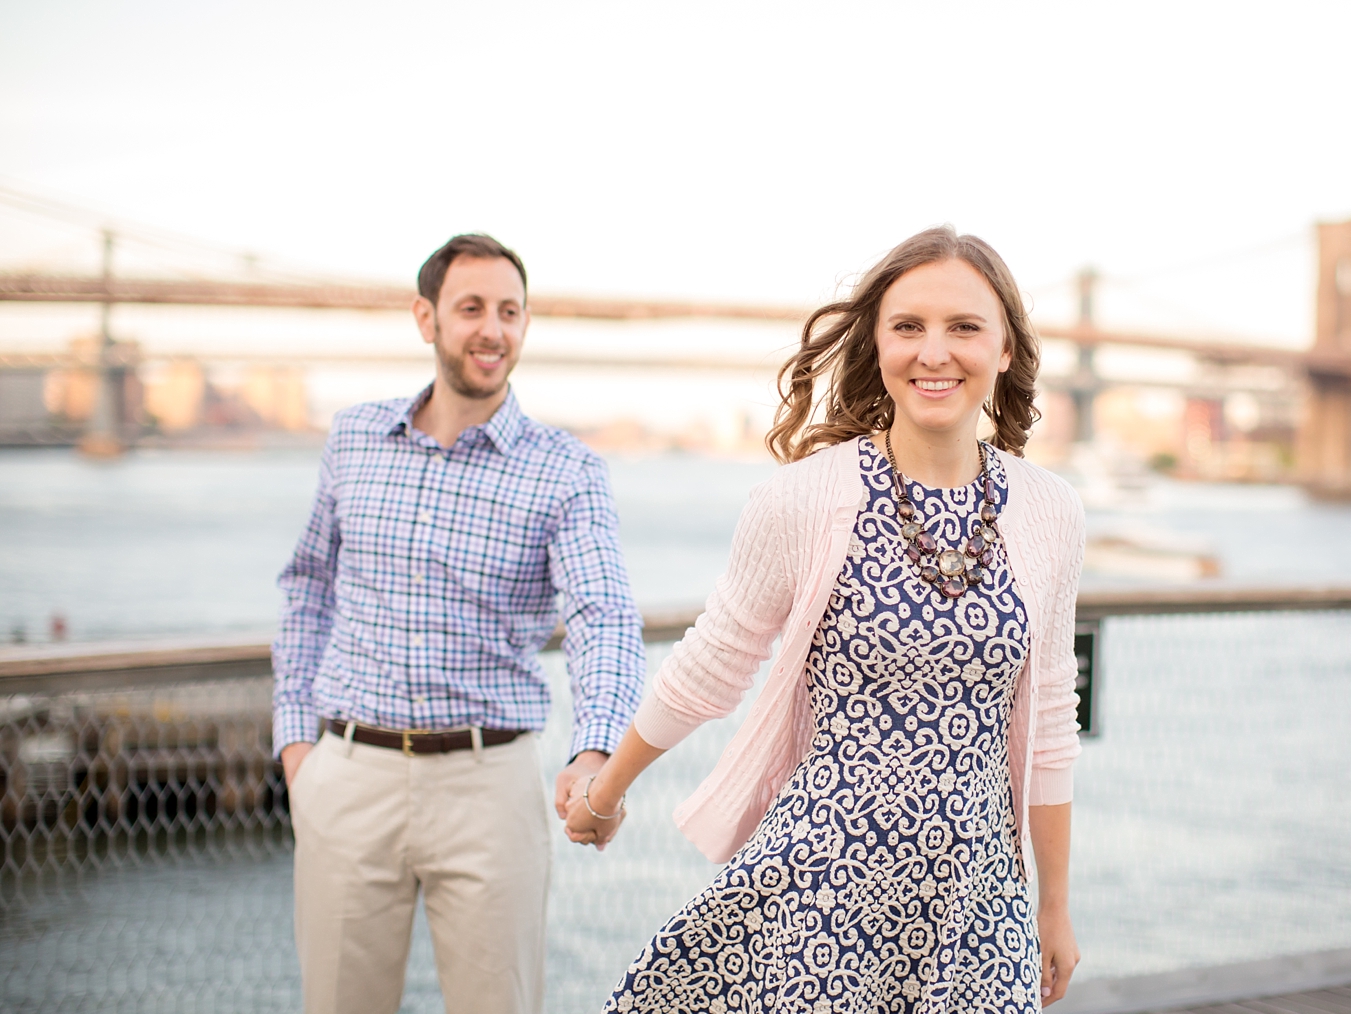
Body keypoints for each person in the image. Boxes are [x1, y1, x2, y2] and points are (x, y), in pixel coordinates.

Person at [566, 226, 1084, 1012]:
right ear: (876, 344)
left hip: (980, 907)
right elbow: (716, 660)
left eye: (964, 327)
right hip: (823, 891)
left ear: (1006, 350)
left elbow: (1049, 715)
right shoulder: (804, 497)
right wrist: (607, 788)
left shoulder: (1050, 511)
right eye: (907, 326)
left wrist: (1054, 904)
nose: (934, 352)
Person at [273, 234, 645, 1014]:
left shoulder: (565, 468)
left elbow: (602, 614)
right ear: (426, 318)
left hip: (490, 785)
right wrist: (296, 744)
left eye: (510, 312)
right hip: (345, 775)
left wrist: (595, 749)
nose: (493, 330)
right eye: (472, 308)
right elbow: (307, 585)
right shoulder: (354, 438)